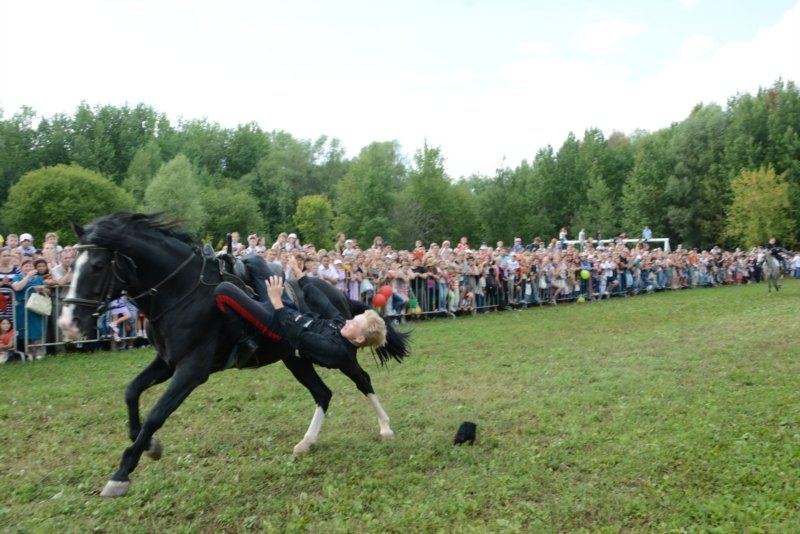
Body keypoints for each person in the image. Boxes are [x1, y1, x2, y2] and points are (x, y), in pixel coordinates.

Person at [214, 256, 386, 367]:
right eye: (352, 319)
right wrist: (299, 273)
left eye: (353, 323)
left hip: (280, 328)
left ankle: (244, 343)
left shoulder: (336, 350)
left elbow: (299, 336)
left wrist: (276, 302)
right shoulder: (342, 326)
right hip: (288, 309)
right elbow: (323, 302)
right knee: (255, 261)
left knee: (223, 290)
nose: (348, 321)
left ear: (359, 338)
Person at [11, 259, 46, 360]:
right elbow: (17, 287)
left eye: (30, 266)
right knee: (24, 329)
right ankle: (28, 352)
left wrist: (42, 289)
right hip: (22, 307)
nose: (28, 268)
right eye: (26, 266)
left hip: (35, 307)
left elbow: (46, 290)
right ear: (21, 268)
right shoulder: (17, 277)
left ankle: (38, 351)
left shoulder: (39, 278)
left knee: (36, 329)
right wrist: (28, 276)